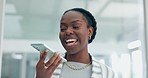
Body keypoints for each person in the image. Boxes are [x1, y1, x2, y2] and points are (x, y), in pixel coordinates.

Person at [35, 8, 114, 78]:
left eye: (76, 26)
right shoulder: (47, 68)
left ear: (89, 32)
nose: (67, 32)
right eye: (63, 28)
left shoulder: (107, 74)